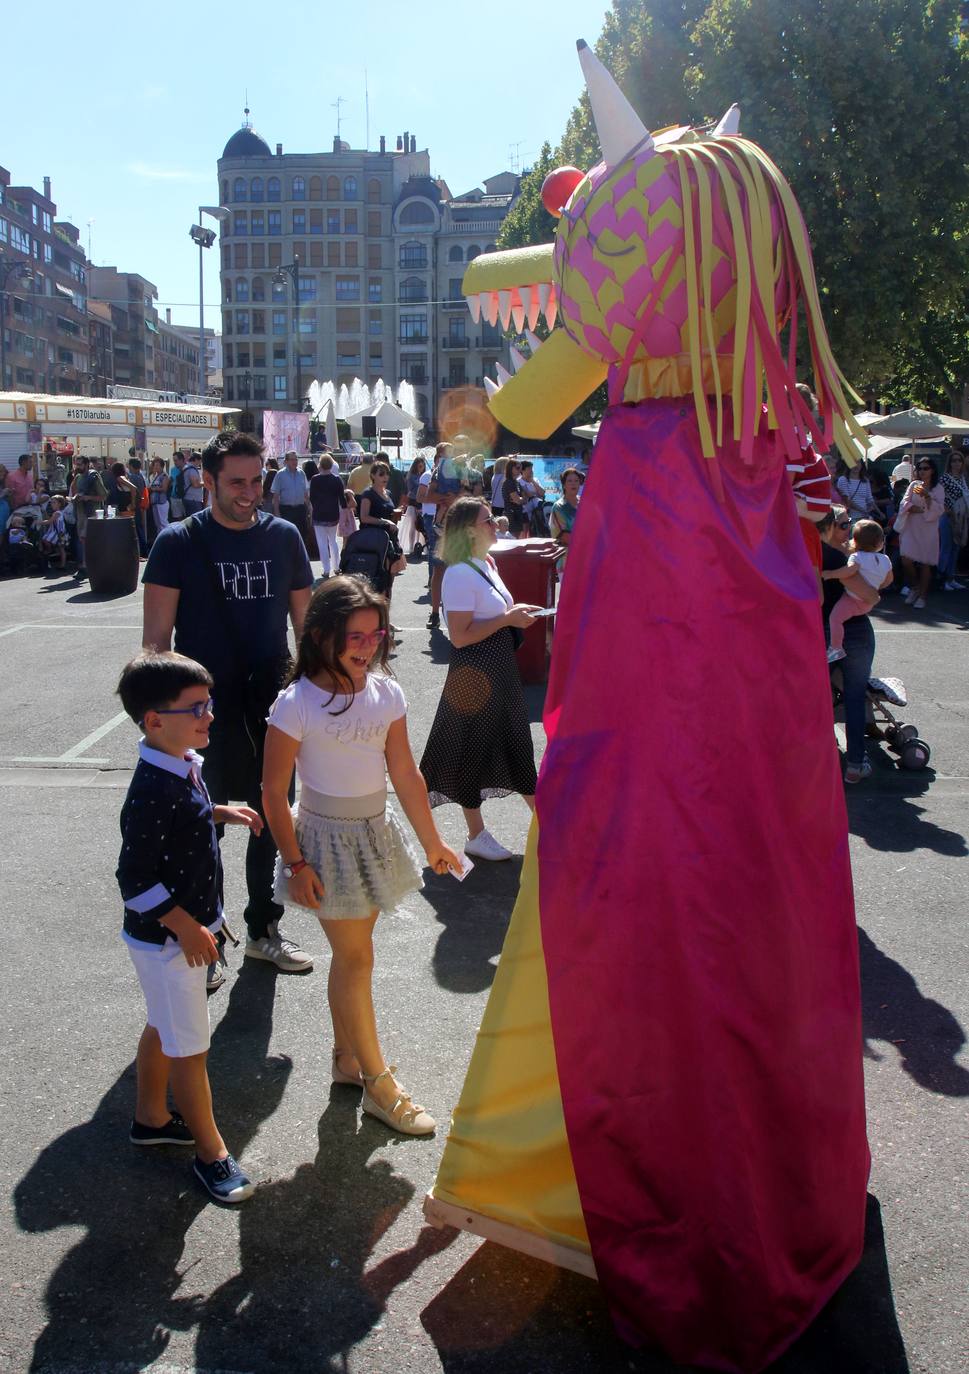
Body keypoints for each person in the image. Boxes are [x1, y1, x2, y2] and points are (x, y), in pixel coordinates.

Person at [261, 577, 463, 1136]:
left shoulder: (386, 692)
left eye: (377, 634)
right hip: (323, 843)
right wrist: (297, 864)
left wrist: (432, 841)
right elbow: (274, 793)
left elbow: (404, 771)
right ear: (322, 635)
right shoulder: (296, 702)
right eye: (356, 635)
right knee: (356, 960)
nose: (367, 645)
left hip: (374, 834)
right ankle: (379, 1084)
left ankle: (347, 1061)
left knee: (355, 956)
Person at [141, 430, 315, 980]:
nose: (249, 492)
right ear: (207, 481)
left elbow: (306, 628)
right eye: (236, 482)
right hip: (201, 715)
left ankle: (263, 929)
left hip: (271, 706)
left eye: (256, 480)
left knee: (270, 818)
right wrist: (162, 725)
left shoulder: (284, 537)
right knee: (199, 829)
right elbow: (154, 645)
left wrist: (316, 697)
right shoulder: (177, 542)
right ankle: (205, 938)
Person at [114, 650, 259, 1204]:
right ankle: (212, 1155)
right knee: (190, 1049)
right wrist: (187, 928)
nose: (210, 716)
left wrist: (222, 811)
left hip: (181, 936)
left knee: (165, 1025)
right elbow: (134, 879)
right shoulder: (153, 788)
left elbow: (187, 817)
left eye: (210, 703)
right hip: (169, 941)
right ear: (154, 721)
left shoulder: (180, 762)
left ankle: (151, 1118)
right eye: (196, 708)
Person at [420, 497, 541, 861]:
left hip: (498, 671)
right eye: (488, 520)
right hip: (476, 675)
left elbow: (496, 612)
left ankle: (547, 826)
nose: (496, 524)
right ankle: (478, 833)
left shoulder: (485, 562)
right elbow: (459, 636)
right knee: (474, 750)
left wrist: (515, 614)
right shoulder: (458, 572)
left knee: (517, 746)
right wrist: (507, 620)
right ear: (469, 530)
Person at [819, 506, 883, 783]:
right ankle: (855, 763)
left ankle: (820, 761)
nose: (850, 530)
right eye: (845, 525)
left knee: (819, 698)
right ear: (830, 527)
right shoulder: (841, 560)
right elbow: (871, 596)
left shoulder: (806, 555)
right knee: (855, 698)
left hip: (821, 634)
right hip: (855, 633)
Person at [822, 519, 892, 663]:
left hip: (852, 600)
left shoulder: (856, 557)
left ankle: (836, 647)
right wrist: (875, 586)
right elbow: (888, 579)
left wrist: (830, 574)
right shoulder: (885, 559)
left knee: (835, 619)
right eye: (844, 524)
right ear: (879, 543)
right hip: (867, 603)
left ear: (855, 540)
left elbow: (849, 571)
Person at [422, 444, 463, 629]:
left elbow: (476, 495)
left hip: (462, 525)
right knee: (439, 570)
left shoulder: (465, 470)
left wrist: (458, 498)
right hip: (443, 526)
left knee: (461, 571)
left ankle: (459, 612)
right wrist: (445, 500)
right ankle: (435, 613)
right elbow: (426, 496)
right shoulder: (438, 471)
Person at [897, 457, 944, 609]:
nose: (922, 471)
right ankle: (914, 587)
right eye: (920, 468)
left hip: (928, 529)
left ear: (932, 470)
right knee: (905, 559)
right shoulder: (913, 485)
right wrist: (915, 508)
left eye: (926, 468)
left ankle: (922, 596)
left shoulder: (938, 488)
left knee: (925, 563)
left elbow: (939, 510)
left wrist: (927, 496)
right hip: (911, 526)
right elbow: (904, 503)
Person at [357, 460, 405, 606]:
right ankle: (375, 618)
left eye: (387, 474)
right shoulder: (368, 494)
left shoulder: (387, 493)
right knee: (376, 581)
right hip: (374, 542)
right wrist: (384, 522)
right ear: (373, 475)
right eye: (381, 474)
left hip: (389, 541)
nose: (385, 477)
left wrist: (395, 515)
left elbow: (387, 514)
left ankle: (385, 618)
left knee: (389, 581)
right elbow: (364, 517)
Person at [308, 453, 348, 577]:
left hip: (319, 514)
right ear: (331, 465)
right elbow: (342, 500)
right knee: (333, 541)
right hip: (333, 514)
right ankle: (336, 566)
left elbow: (312, 498)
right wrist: (345, 515)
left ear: (320, 465)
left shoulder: (315, 479)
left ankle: (326, 569)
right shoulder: (337, 479)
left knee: (322, 543)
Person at [68, 454, 108, 576]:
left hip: (92, 513)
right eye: (76, 464)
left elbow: (104, 496)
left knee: (89, 540)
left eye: (80, 464)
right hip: (81, 512)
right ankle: (87, 565)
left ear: (86, 464)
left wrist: (87, 497)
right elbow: (75, 492)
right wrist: (74, 498)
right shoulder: (78, 477)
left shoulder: (94, 476)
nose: (77, 466)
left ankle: (88, 566)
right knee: (83, 540)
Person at [938, 449, 969, 590]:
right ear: (949, 463)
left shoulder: (963, 478)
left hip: (961, 517)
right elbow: (938, 496)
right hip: (947, 516)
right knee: (946, 547)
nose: (957, 463)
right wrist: (947, 510)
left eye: (959, 460)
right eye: (954, 460)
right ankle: (941, 579)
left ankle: (951, 578)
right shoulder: (944, 478)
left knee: (956, 547)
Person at [271, 450, 311, 546]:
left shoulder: (301, 473)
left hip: (300, 510)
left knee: (302, 536)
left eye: (296, 459)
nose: (295, 462)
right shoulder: (280, 475)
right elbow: (276, 496)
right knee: (287, 537)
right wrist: (277, 513)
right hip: (286, 510)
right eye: (292, 459)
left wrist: (310, 508)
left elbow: (305, 493)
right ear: (286, 461)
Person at [549, 466, 582, 570]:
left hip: (585, 559)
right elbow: (562, 535)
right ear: (563, 485)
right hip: (565, 560)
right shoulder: (558, 507)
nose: (573, 483)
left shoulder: (585, 503)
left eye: (576, 481)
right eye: (570, 481)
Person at [833, 457, 876, 523]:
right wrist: (863, 510)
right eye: (853, 462)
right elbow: (847, 501)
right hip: (850, 518)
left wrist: (873, 508)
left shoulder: (865, 480)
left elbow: (870, 499)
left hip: (865, 518)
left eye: (858, 462)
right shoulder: (843, 480)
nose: (856, 465)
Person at [127, 453, 149, 556]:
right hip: (140, 504)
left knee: (136, 529)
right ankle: (144, 550)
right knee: (140, 528)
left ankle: (141, 551)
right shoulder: (141, 476)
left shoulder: (133, 478)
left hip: (135, 505)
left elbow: (134, 492)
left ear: (131, 466)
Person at [40, 495, 69, 568]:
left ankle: (50, 549)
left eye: (54, 502)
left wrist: (39, 522)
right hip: (61, 533)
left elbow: (49, 521)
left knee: (45, 539)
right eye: (51, 503)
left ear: (59, 504)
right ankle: (63, 564)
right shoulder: (60, 512)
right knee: (61, 549)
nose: (52, 504)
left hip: (58, 533)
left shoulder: (57, 513)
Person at [520, 461, 548, 535]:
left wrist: (532, 481)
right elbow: (528, 494)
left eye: (532, 469)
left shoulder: (535, 480)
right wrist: (536, 494)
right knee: (525, 531)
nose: (531, 471)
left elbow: (542, 493)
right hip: (525, 509)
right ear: (522, 470)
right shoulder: (519, 482)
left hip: (537, 510)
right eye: (529, 469)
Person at [502, 459, 528, 535]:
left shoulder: (516, 482)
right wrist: (522, 499)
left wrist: (522, 499)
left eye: (521, 467)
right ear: (510, 469)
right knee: (512, 538)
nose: (520, 470)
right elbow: (518, 500)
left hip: (518, 513)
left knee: (517, 536)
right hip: (512, 515)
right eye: (517, 467)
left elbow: (525, 498)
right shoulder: (509, 482)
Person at [148, 457, 171, 537]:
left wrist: (154, 489)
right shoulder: (155, 476)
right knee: (158, 524)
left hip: (162, 502)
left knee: (163, 523)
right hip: (155, 502)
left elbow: (164, 489)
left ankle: (168, 538)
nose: (155, 467)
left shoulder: (164, 476)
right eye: (154, 465)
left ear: (162, 466)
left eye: (157, 465)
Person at [182, 451, 205, 516]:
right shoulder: (192, 470)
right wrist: (205, 483)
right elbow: (195, 484)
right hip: (193, 499)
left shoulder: (186, 467)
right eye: (200, 460)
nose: (201, 463)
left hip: (188, 497)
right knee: (196, 519)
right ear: (196, 459)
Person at [168, 451, 187, 522]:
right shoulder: (173, 469)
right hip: (174, 497)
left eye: (176, 460)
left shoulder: (187, 469)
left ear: (181, 460)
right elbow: (171, 480)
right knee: (178, 519)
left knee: (186, 517)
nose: (175, 462)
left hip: (184, 497)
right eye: (174, 461)